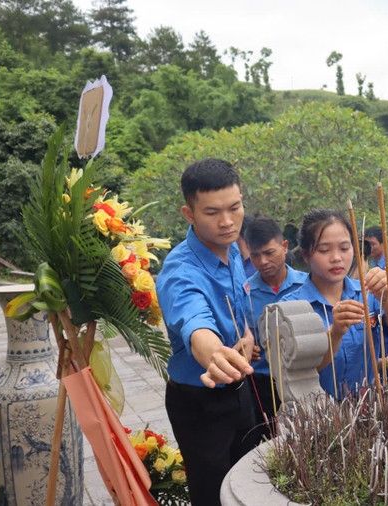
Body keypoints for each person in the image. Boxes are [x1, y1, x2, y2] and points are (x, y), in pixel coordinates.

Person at [156, 158, 259, 504]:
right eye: (212, 212)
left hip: (241, 387)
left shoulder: (232, 253)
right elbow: (195, 322)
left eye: (235, 207)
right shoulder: (180, 271)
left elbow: (238, 309)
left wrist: (245, 337)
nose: (227, 221)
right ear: (189, 214)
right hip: (200, 400)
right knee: (213, 493)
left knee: (251, 480)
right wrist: (216, 354)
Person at [284, 209, 388, 398]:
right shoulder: (292, 306)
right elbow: (303, 367)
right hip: (317, 415)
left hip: (368, 407)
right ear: (306, 255)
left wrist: (386, 294)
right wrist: (335, 334)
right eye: (324, 250)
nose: (336, 258)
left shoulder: (367, 292)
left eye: (344, 248)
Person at [243, 216, 308, 439]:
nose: (262, 261)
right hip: (261, 386)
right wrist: (246, 349)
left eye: (269, 253)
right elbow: (240, 336)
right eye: (255, 255)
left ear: (284, 247)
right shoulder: (244, 293)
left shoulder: (308, 285)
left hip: (303, 379)